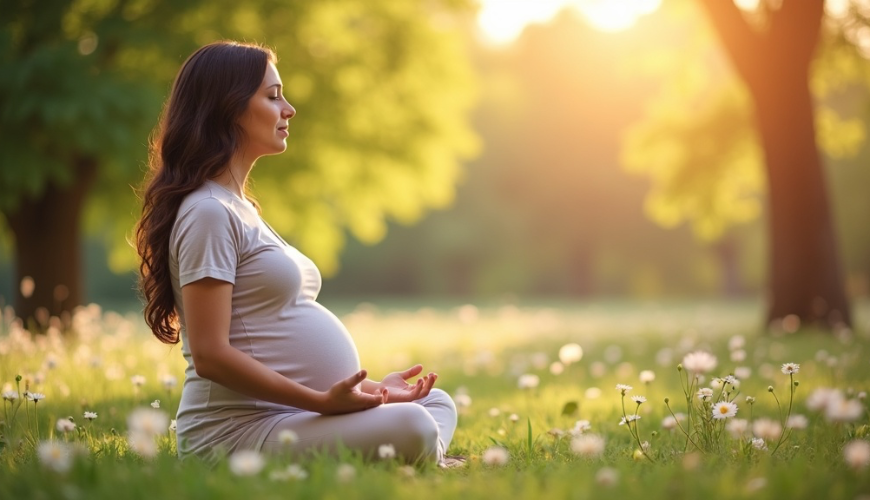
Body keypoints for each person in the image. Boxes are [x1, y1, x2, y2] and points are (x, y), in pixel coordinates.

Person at [135, 41, 460, 467]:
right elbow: (212, 354)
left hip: (296, 416)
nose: (288, 110)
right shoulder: (208, 212)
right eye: (272, 97)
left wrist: (374, 391)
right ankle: (424, 456)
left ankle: (416, 454)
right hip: (236, 433)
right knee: (414, 425)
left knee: (436, 403)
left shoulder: (240, 208)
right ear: (228, 107)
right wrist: (323, 402)